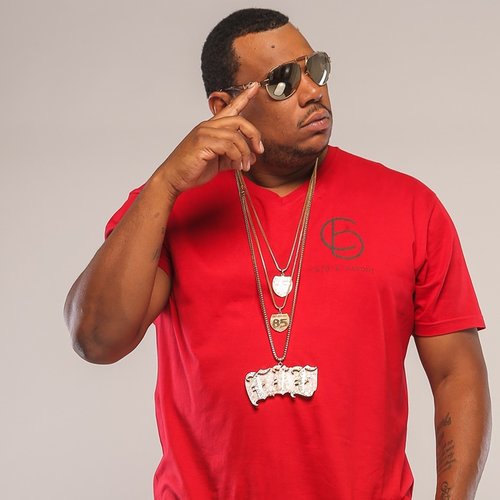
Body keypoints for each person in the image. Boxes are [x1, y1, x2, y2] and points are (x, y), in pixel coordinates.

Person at [64, 8, 491, 500]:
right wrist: (165, 183)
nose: (313, 91)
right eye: (283, 81)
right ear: (225, 106)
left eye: (317, 68)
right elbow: (96, 340)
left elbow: (457, 374)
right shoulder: (167, 208)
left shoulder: (409, 206)